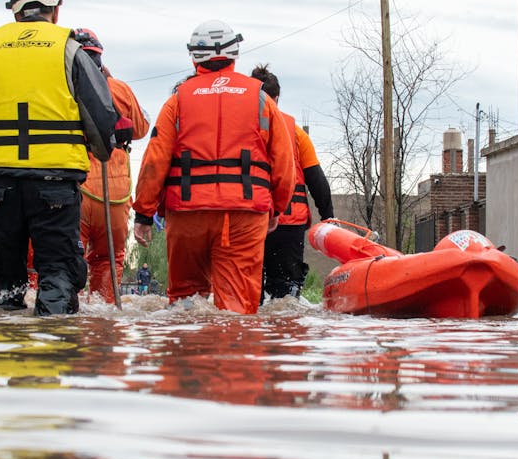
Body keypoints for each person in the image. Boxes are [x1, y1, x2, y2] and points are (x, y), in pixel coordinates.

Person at [0, 0, 119, 315]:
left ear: (16, 13)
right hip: (55, 184)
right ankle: (53, 339)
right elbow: (101, 115)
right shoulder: (69, 50)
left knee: (5, 284)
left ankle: (5, 337)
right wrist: (103, 149)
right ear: (56, 11)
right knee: (57, 274)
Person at [132, 20, 295, 314]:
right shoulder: (261, 99)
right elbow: (284, 162)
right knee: (236, 309)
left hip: (187, 213)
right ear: (235, 54)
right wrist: (278, 208)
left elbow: (155, 161)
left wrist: (144, 213)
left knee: (185, 304)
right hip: (244, 213)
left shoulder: (177, 100)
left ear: (194, 57)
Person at [71, 28, 150, 303]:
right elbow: (141, 128)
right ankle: (103, 319)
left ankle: (66, 315)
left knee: (66, 259)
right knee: (108, 260)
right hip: (114, 195)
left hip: (75, 188)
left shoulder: (61, 86)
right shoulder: (120, 89)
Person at [250, 64, 334, 300]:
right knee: (286, 292)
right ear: (277, 98)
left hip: (250, 221)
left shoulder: (240, 131)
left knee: (248, 292)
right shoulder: (296, 133)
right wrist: (328, 217)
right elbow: (316, 179)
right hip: (288, 223)